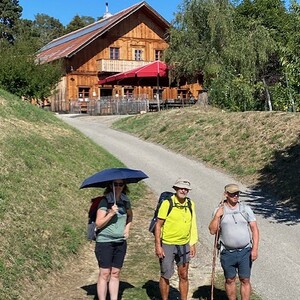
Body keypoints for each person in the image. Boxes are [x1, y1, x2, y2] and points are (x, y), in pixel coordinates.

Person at [208, 184, 259, 300]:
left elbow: (255, 229)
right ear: (226, 194)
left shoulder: (245, 209)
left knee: (245, 279)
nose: (235, 196)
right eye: (232, 193)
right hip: (227, 252)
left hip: (245, 251)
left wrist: (255, 249)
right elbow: (212, 231)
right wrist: (216, 216)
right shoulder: (219, 210)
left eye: (237, 193)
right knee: (230, 279)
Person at [155, 178, 198, 300]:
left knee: (184, 274)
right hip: (167, 244)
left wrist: (193, 243)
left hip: (184, 244)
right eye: (181, 188)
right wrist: (158, 245)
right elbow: (158, 225)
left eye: (186, 189)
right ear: (175, 188)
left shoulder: (190, 204)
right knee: (166, 275)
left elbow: (192, 224)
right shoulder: (167, 203)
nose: (183, 190)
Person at [94, 179, 133, 300]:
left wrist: (127, 229)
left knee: (115, 273)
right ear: (110, 186)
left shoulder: (125, 201)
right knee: (104, 273)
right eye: (115, 184)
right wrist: (110, 213)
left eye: (121, 184)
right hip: (105, 241)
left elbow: (130, 215)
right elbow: (98, 224)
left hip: (120, 241)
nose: (118, 186)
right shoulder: (105, 201)